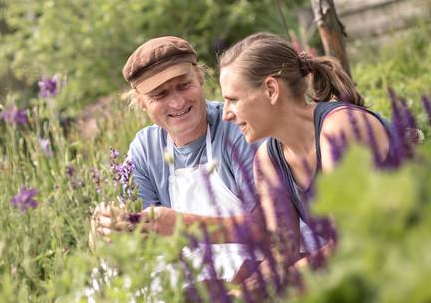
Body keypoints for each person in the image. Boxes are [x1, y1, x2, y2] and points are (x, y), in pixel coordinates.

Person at [90, 36, 260, 281]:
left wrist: (186, 227)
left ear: (200, 78)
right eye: (160, 94)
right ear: (141, 102)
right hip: (195, 275)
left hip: (255, 267)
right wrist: (105, 230)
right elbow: (137, 237)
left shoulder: (239, 127)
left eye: (184, 85)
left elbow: (275, 228)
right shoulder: (146, 148)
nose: (178, 102)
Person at [218, 32, 393, 243]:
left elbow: (356, 244)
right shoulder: (268, 160)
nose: (226, 115)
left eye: (233, 100)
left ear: (271, 90)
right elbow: (282, 251)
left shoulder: (338, 131)